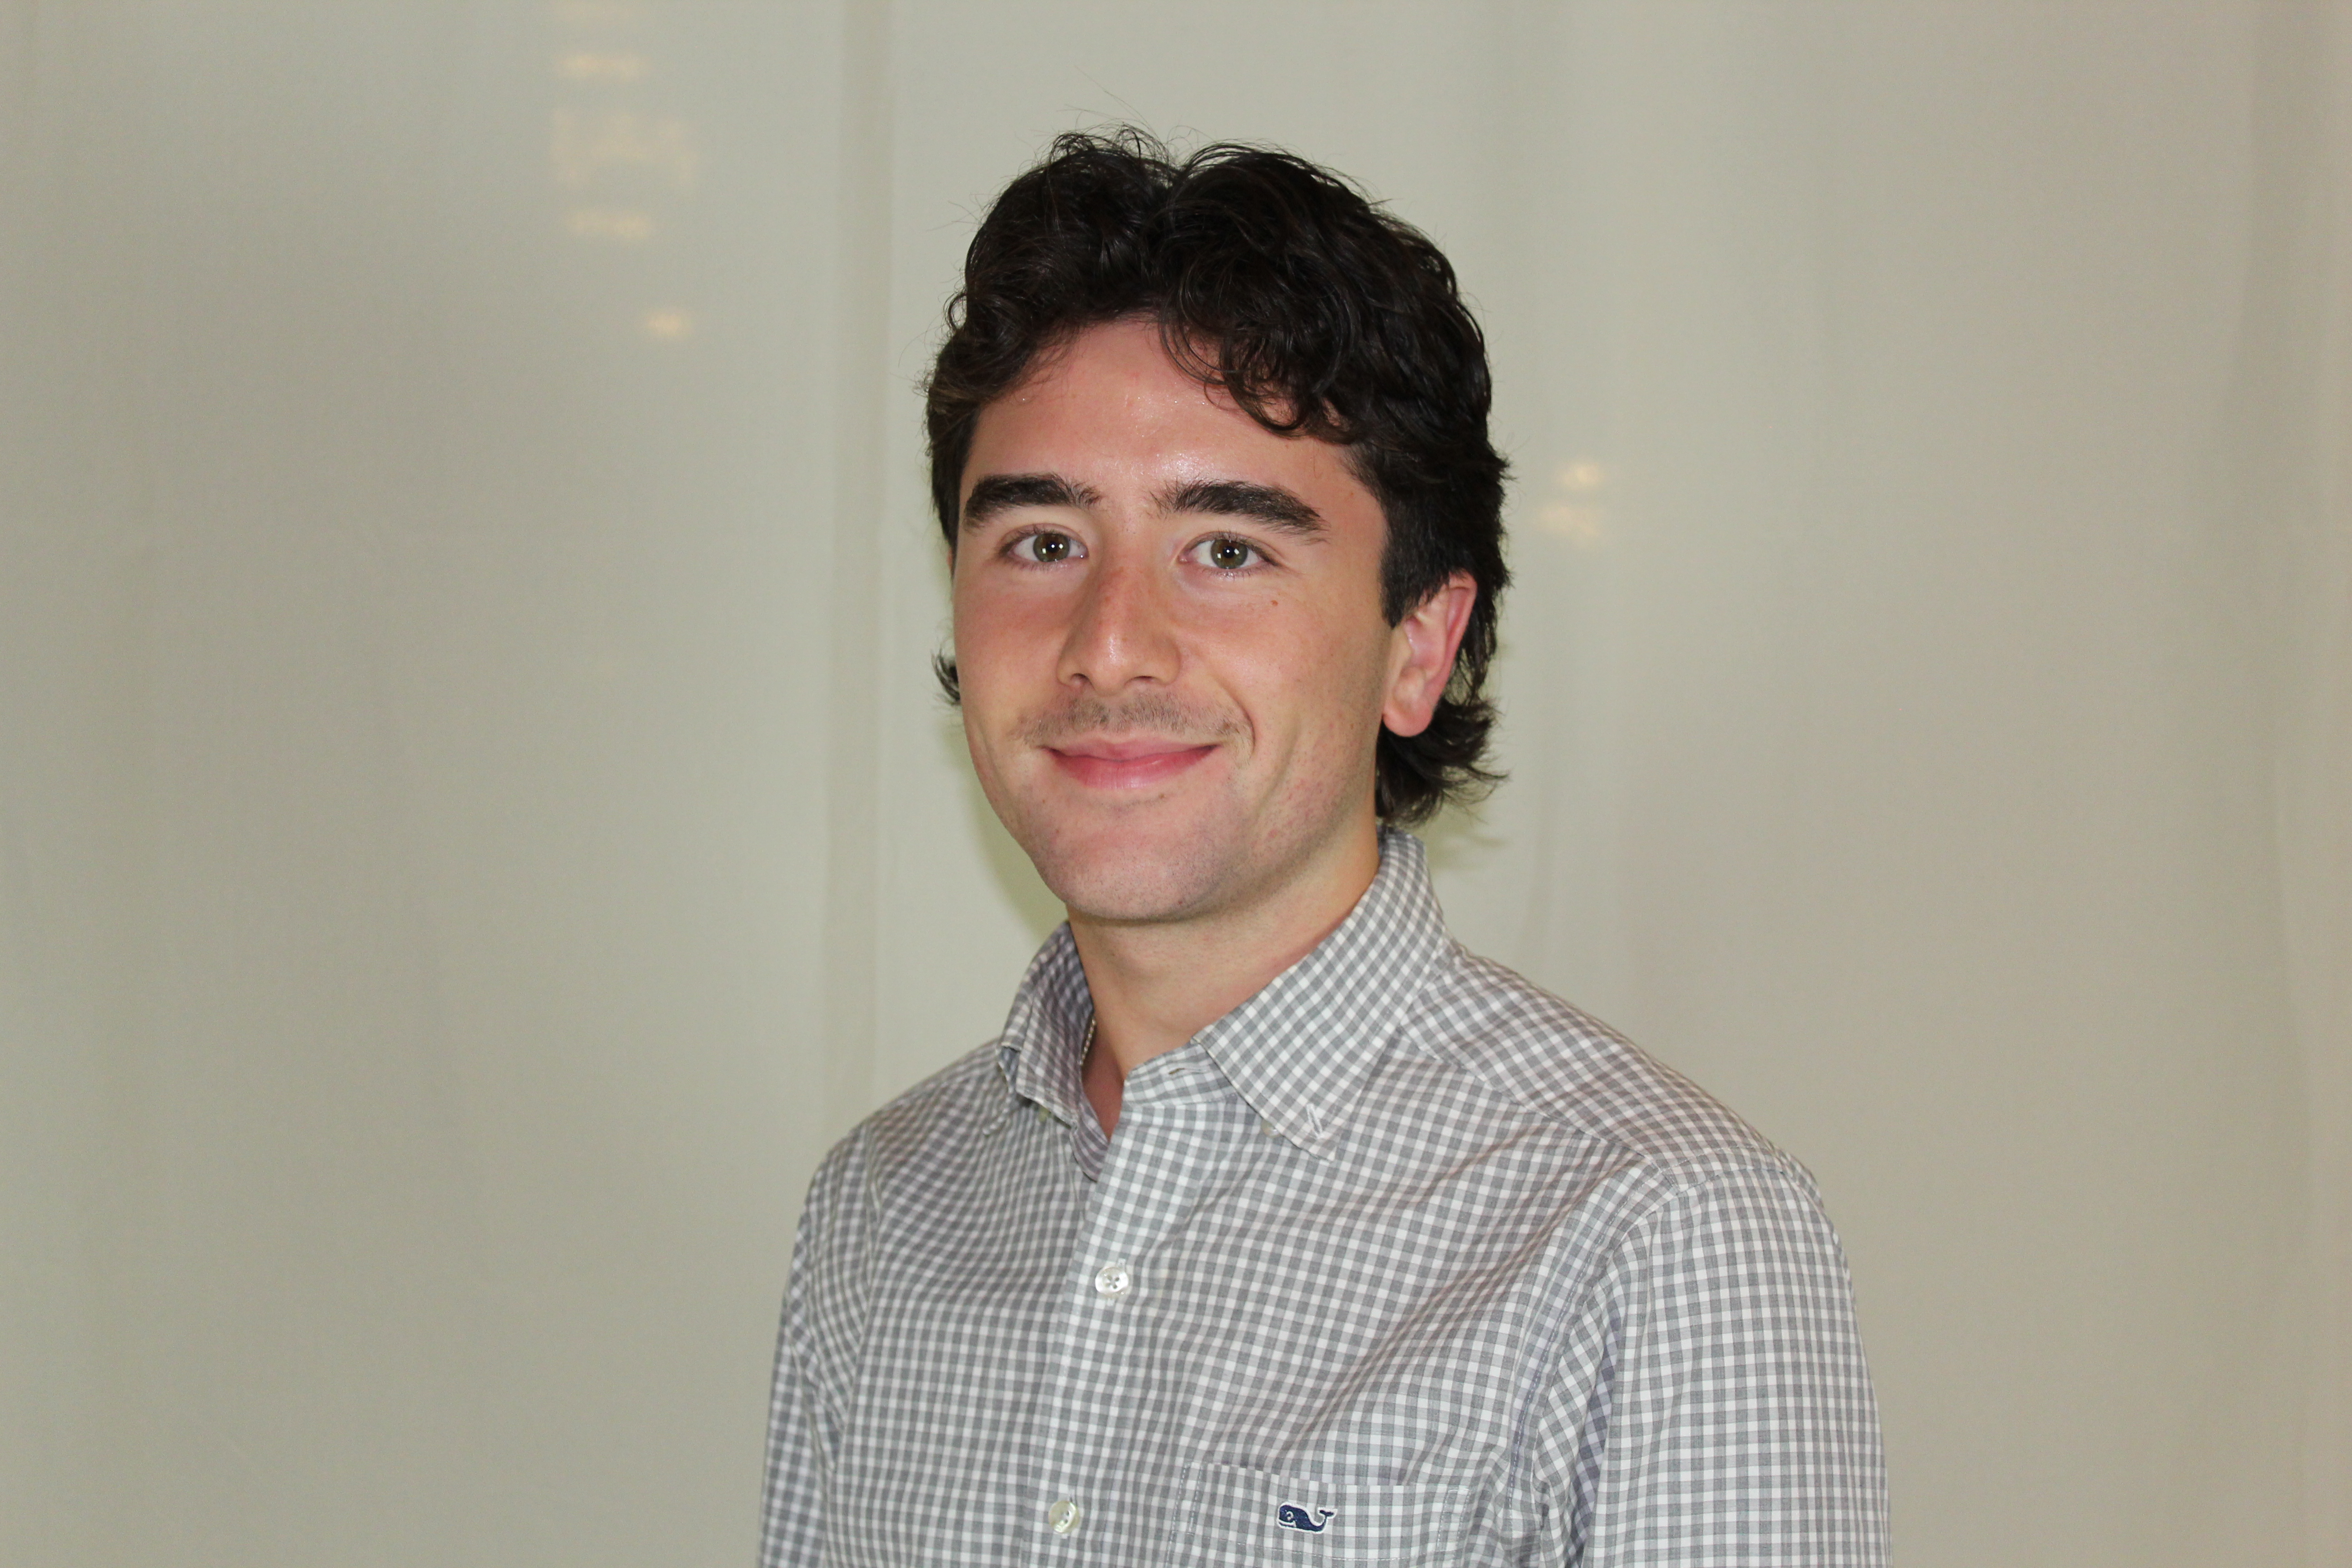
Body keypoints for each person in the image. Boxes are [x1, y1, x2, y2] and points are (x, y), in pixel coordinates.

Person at [760, 128, 1886, 1567]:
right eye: (1041, 541)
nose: (1110, 642)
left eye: (1228, 549)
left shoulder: (1660, 1236)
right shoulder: (880, 1210)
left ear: (1420, 647)